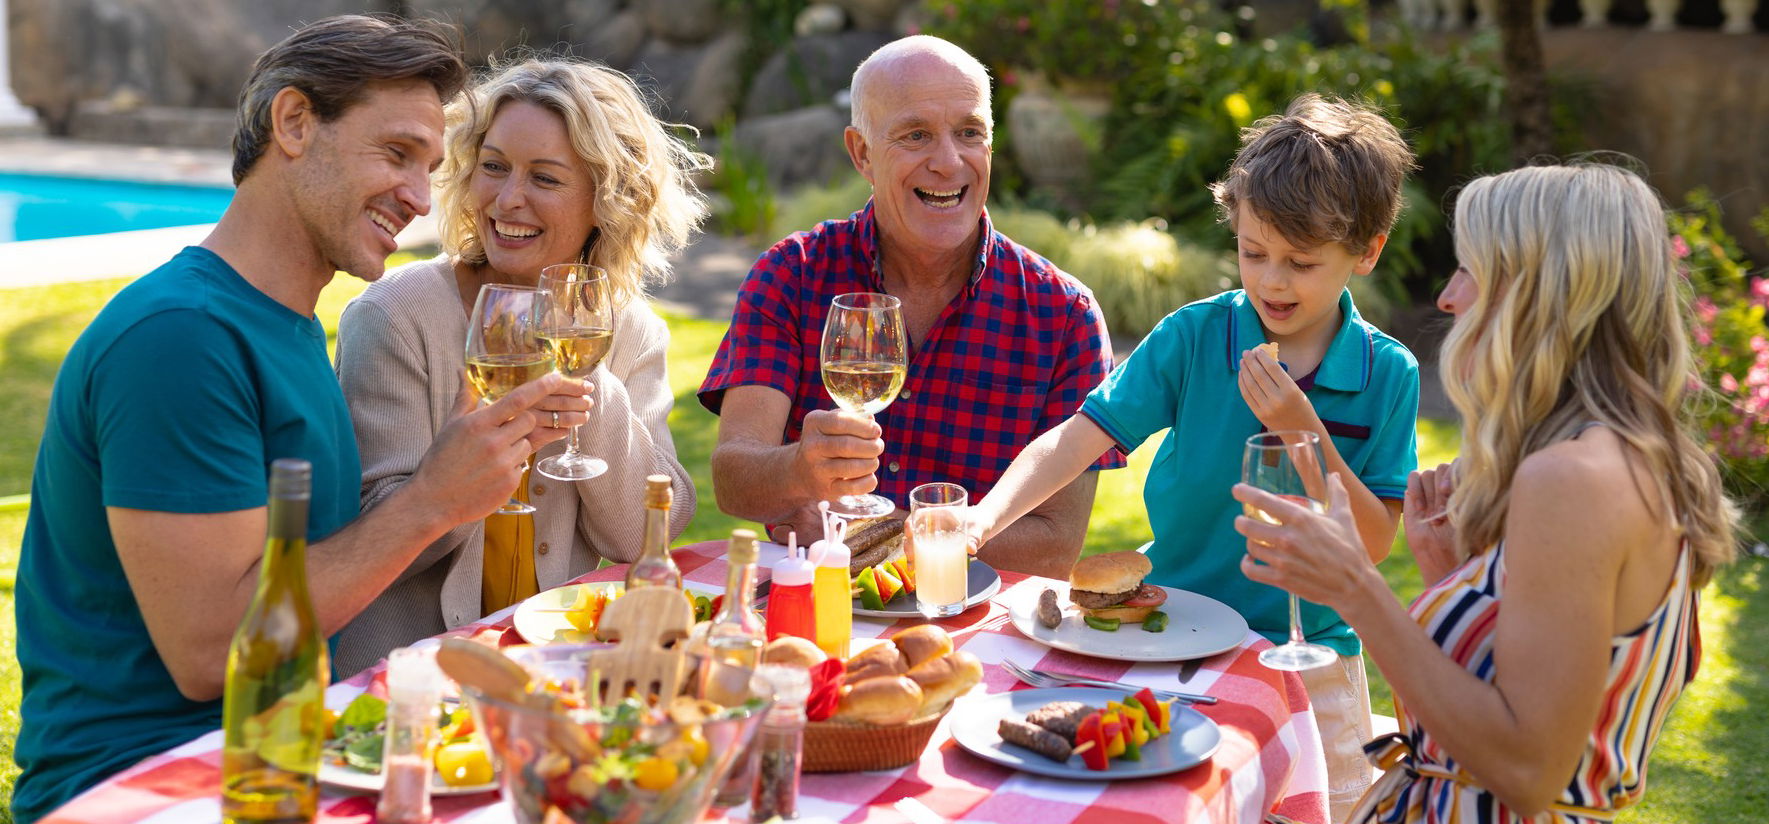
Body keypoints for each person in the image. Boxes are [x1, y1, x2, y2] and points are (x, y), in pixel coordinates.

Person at [11, 17, 588, 822]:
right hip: (153, 785)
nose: (420, 197)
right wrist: (432, 504)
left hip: (287, 760)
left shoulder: (286, 327)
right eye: (395, 154)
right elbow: (214, 653)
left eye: (428, 167)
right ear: (293, 124)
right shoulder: (180, 339)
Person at [1233, 162, 1739, 822]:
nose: (1446, 296)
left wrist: (1354, 588)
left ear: (1541, 291)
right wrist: (1456, 576)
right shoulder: (1632, 456)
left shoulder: (1572, 481)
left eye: (1470, 268)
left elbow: (1527, 771)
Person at [968, 94, 1420, 818]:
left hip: (1315, 657)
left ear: (1366, 251)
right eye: (1252, 252)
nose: (1271, 281)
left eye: (1301, 263)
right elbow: (1077, 439)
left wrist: (1301, 429)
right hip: (1179, 635)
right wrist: (981, 519)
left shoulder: (1386, 372)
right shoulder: (1194, 336)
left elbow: (1370, 540)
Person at [698, 35, 1123, 579]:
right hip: (819, 607)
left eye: (969, 133)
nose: (948, 162)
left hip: (980, 634)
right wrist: (799, 469)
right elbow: (733, 479)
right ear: (861, 153)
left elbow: (1054, 546)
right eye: (915, 135)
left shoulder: (1063, 316)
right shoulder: (793, 274)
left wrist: (876, 534)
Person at [332, 58, 705, 674]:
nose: (508, 200)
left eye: (546, 179)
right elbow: (369, 541)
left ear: (606, 200)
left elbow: (647, 536)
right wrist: (455, 481)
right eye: (494, 167)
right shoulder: (397, 317)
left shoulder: (628, 329)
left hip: (561, 671)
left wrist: (592, 382)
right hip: (408, 676)